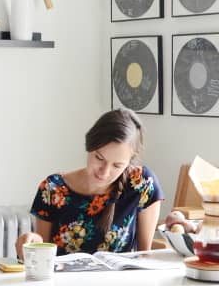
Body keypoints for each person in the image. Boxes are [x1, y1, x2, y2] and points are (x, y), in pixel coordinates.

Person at [16, 109, 163, 258]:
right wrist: (32, 244)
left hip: (120, 280)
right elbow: (42, 254)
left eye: (117, 166)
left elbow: (145, 255)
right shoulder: (53, 189)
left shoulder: (142, 184)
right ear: (89, 146)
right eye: (99, 158)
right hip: (65, 280)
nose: (104, 172)